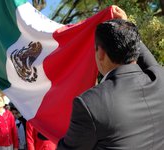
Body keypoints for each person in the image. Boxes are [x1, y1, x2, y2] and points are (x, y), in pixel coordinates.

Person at [57, 18, 164, 149]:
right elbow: (146, 57)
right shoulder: (160, 79)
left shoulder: (90, 104)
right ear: (135, 48)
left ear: (100, 52)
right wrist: (126, 28)